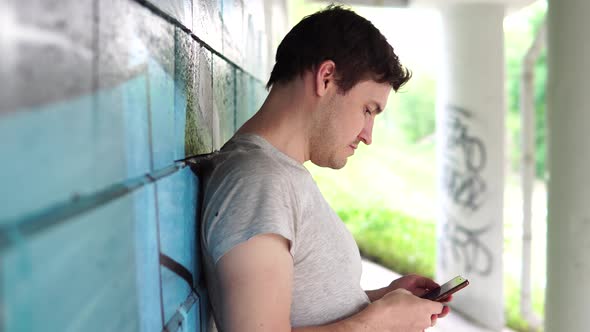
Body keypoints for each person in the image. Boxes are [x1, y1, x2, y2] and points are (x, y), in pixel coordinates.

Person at [200, 5, 451, 332]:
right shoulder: (257, 181)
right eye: (367, 109)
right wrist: (380, 322)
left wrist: (383, 299)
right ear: (326, 78)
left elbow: (307, 308)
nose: (368, 135)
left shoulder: (278, 175)